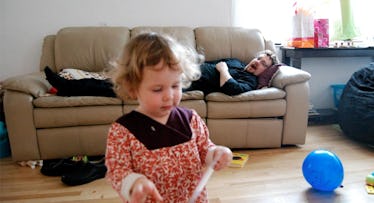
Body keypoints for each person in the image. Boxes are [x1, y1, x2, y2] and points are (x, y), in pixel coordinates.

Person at [105, 32, 233, 203]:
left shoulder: (191, 119)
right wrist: (135, 182)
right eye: (158, 89)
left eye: (175, 85)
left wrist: (215, 154)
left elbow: (205, 150)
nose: (169, 96)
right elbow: (117, 171)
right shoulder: (123, 131)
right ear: (132, 88)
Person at [184, 50, 280, 95]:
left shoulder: (250, 81)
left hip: (191, 81)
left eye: (263, 63)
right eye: (258, 58)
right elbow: (206, 63)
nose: (257, 62)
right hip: (188, 67)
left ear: (265, 71)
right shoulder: (236, 61)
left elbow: (231, 89)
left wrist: (223, 70)